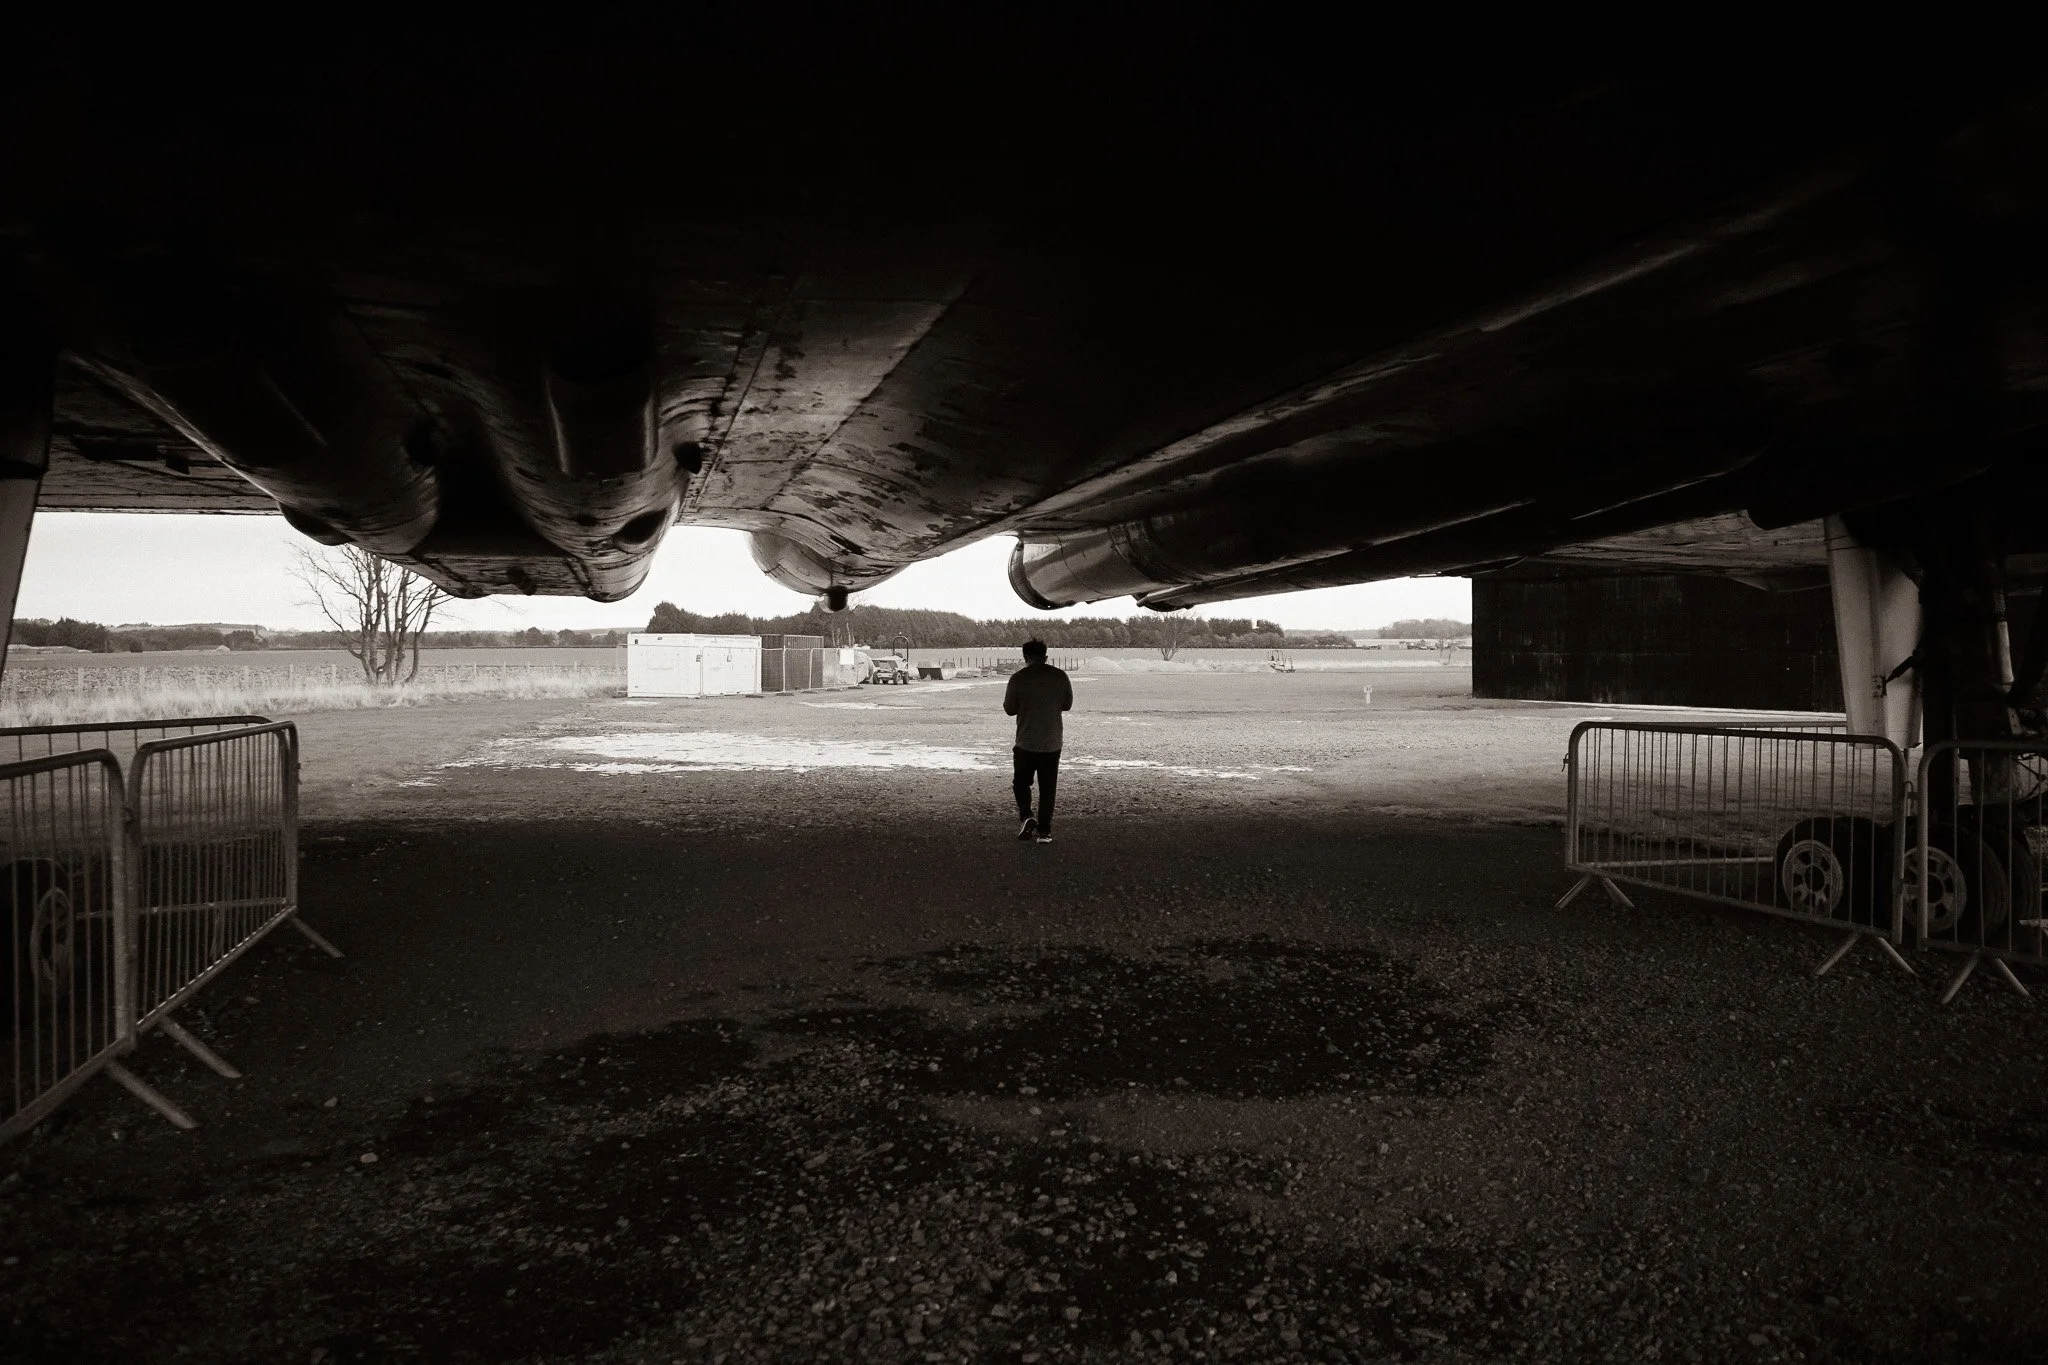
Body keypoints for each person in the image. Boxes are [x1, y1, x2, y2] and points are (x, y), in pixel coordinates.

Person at [1003, 639, 1071, 844]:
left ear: (1025, 657)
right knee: (1048, 787)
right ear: (1046, 656)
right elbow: (1067, 705)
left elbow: (1009, 709)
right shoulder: (1060, 676)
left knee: (1021, 783)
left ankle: (1027, 815)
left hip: (1025, 741)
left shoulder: (1017, 679)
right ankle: (1044, 831)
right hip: (1052, 741)